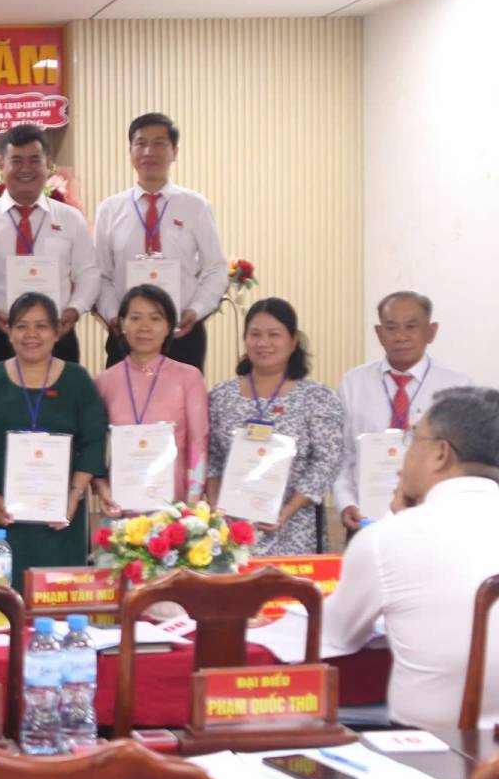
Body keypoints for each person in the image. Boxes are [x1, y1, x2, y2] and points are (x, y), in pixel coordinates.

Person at [324, 386, 499, 726]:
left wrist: (395, 521)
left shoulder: (386, 539)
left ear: (440, 454)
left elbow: (336, 637)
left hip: (430, 746)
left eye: (413, 440)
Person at [0, 291, 107, 578]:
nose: (31, 334)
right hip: (2, 511)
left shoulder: (77, 380)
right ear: (9, 332)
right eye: (22, 326)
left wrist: (75, 494)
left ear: (57, 332)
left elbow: (93, 442)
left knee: (60, 592)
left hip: (62, 513)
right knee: (1, 593)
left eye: (41, 326)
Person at [205, 298, 344, 557]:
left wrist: (287, 510)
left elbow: (327, 461)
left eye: (274, 335)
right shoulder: (221, 395)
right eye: (255, 334)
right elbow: (212, 456)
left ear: (293, 341)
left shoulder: (317, 397)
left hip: (294, 529)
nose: (263, 343)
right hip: (232, 530)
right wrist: (214, 506)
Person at [95, 113, 228, 372]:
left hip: (181, 334)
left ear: (174, 151)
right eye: (140, 143)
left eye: (159, 143)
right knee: (122, 397)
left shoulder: (194, 206)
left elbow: (216, 268)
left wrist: (196, 310)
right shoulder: (109, 209)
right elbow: (101, 275)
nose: (148, 151)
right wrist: (114, 316)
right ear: (130, 151)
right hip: (126, 335)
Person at [0, 124, 97, 371]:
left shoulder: (70, 219)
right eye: (16, 161)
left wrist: (74, 310)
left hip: (57, 335)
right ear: (2, 166)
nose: (25, 169)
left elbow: (88, 273)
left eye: (34, 160)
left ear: (48, 165)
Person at [333, 291, 469, 534]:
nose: (401, 336)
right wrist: (346, 503)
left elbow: (463, 460)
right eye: (391, 328)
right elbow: (342, 453)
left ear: (431, 331)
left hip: (432, 522)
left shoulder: (457, 386)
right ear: (379, 333)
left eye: (411, 327)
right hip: (366, 520)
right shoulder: (353, 383)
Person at [91, 285, 211, 516]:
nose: (144, 327)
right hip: (120, 507)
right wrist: (101, 486)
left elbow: (199, 443)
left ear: (169, 327)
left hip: (175, 510)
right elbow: (92, 446)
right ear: (122, 324)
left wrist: (192, 506)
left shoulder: (189, 377)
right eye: (135, 318)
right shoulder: (104, 381)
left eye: (155, 319)